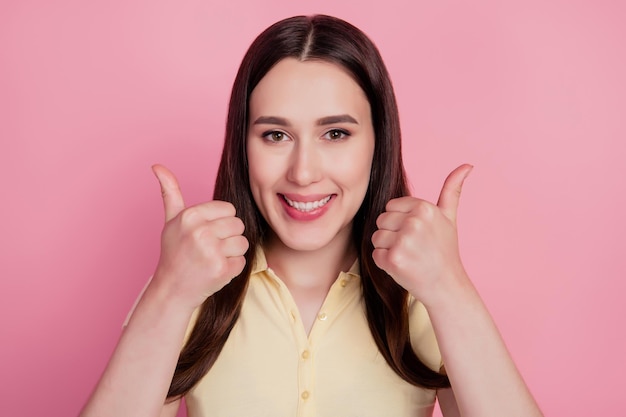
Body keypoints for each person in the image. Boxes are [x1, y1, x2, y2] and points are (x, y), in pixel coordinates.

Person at [81, 14, 543, 417]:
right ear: (243, 146)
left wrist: (450, 288)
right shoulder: (187, 282)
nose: (303, 173)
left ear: (378, 143)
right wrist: (168, 295)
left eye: (336, 133)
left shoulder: (423, 289)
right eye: (275, 136)